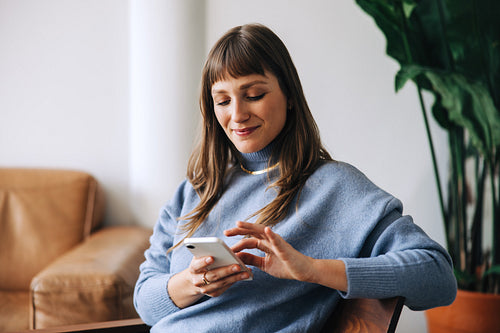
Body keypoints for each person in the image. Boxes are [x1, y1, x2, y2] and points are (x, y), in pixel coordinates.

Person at [134, 23, 457, 332]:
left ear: (289, 95)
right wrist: (191, 283)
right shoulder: (196, 190)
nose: (237, 114)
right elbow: (145, 302)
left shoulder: (334, 188)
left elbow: (437, 276)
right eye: (223, 100)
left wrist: (312, 270)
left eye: (254, 94)